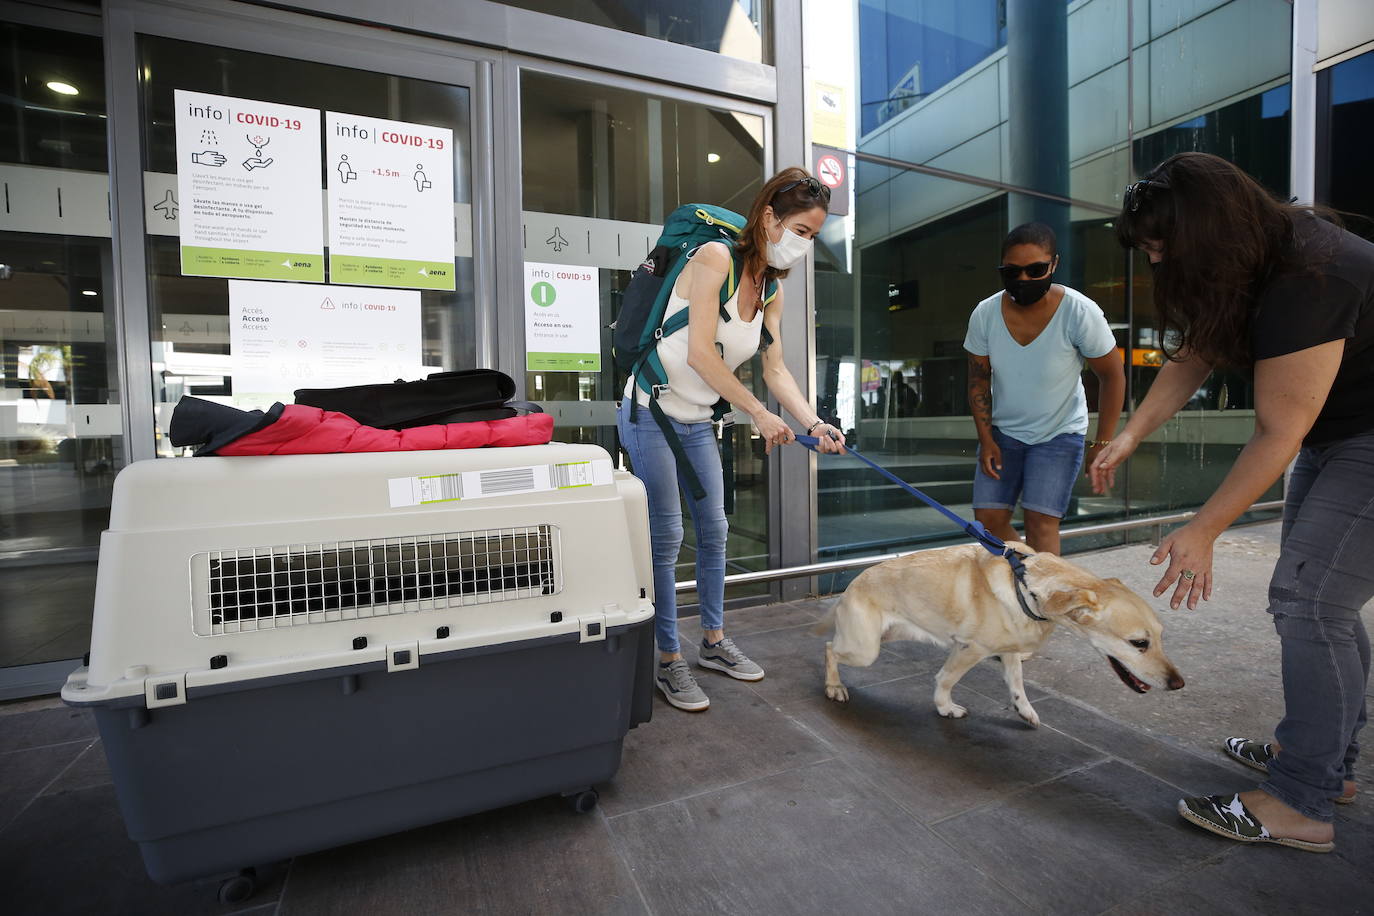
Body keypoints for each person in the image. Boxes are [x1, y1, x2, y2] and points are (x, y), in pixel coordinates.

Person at [1090, 151, 1374, 852]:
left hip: (1361, 434)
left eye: (1162, 246)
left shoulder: (1312, 272)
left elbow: (1279, 428)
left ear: (1211, 232)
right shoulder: (1248, 261)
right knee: (1320, 602)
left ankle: (1300, 804)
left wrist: (1205, 528)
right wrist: (1132, 434)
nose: (1156, 260)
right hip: (1336, 431)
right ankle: (1326, 766)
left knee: (1311, 602)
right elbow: (1196, 352)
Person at [617, 167, 846, 712]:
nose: (804, 245)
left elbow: (776, 369)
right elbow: (700, 352)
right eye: (801, 231)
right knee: (668, 535)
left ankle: (713, 643)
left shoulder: (771, 289)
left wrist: (813, 422)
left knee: (715, 530)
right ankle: (669, 659)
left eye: (813, 237)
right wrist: (759, 416)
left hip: (698, 419)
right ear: (769, 218)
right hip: (651, 409)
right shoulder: (715, 259)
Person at [964, 222, 1125, 554]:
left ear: (1053, 264)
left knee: (1041, 522)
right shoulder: (985, 313)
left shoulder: (1079, 311)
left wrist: (1103, 442)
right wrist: (986, 438)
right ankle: (1027, 577)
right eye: (1012, 271)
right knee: (988, 520)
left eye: (1035, 269)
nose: (1023, 279)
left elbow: (1113, 376)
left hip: (1059, 434)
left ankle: (1043, 599)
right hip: (1003, 433)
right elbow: (978, 379)